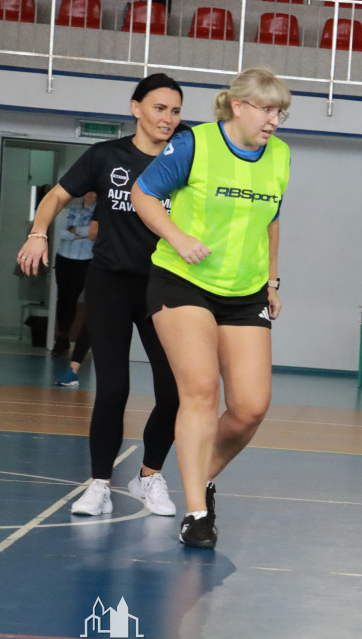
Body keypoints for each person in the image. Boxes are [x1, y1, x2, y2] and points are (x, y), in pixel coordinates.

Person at [131, 66, 292, 549]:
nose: (274, 121)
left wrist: (271, 280)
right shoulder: (194, 144)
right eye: (266, 109)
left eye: (280, 112)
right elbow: (143, 194)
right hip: (183, 281)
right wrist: (178, 238)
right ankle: (196, 513)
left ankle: (197, 480)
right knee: (200, 390)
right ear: (238, 106)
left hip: (244, 292)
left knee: (249, 408)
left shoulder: (280, 155)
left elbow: (271, 218)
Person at [17, 73, 184, 518]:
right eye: (159, 108)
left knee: (173, 391)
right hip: (110, 283)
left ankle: (150, 475)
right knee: (113, 389)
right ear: (136, 109)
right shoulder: (105, 155)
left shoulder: (186, 156)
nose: (167, 118)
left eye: (175, 110)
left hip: (163, 286)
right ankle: (99, 484)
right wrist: (37, 233)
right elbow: (55, 196)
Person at [53, 193, 96, 386]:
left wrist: (76, 230)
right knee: (64, 299)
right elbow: (62, 232)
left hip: (85, 260)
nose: (90, 196)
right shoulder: (71, 210)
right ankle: (62, 337)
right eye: (88, 192)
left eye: (94, 193)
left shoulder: (99, 212)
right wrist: (82, 232)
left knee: (84, 301)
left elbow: (96, 233)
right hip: (64, 258)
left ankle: (77, 348)